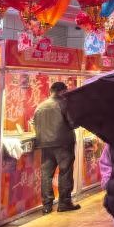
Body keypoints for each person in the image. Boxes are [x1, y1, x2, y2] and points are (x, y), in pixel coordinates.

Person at [31, 81, 79, 213]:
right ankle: (64, 203)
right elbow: (73, 123)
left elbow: (34, 124)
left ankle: (47, 206)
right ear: (62, 91)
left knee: (46, 174)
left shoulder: (40, 106)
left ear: (51, 91)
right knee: (65, 172)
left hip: (45, 144)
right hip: (63, 144)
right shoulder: (63, 104)